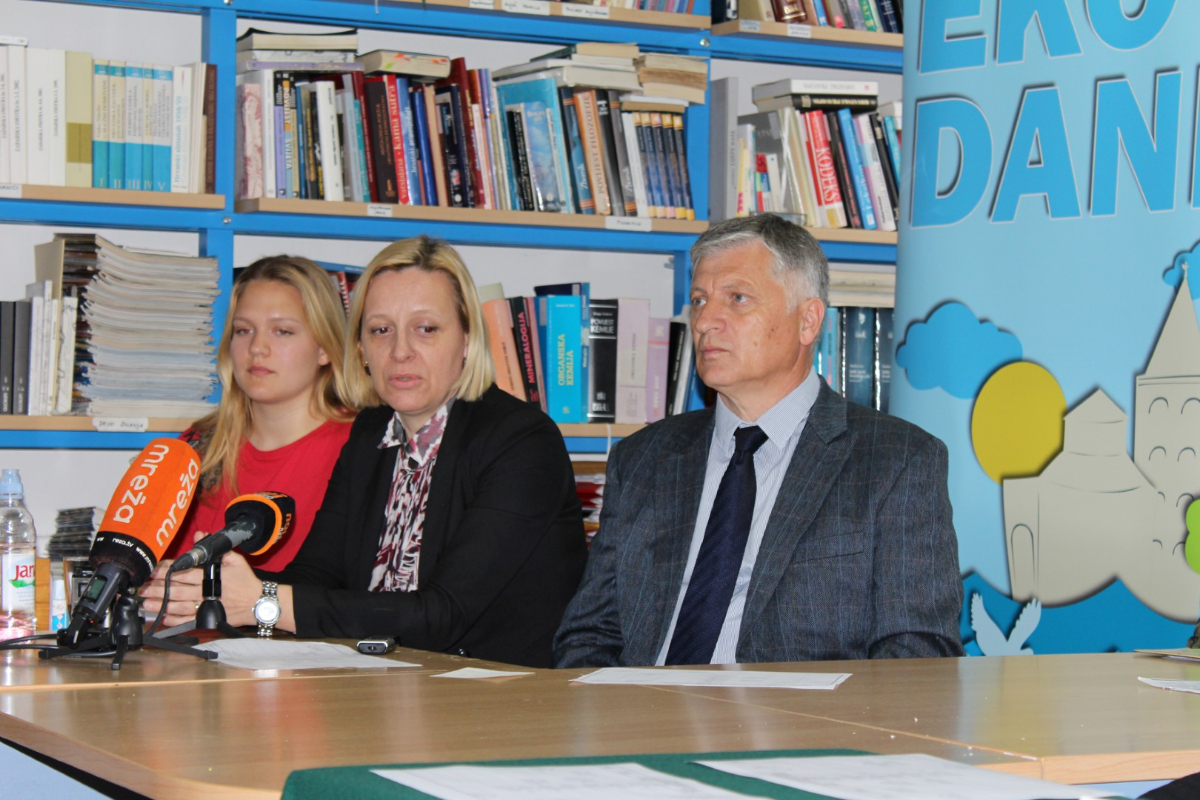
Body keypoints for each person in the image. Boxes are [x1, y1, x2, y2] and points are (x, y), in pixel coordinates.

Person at [144, 236, 587, 668]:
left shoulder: (522, 441)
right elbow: (316, 577)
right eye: (380, 330)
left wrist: (262, 601)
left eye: (426, 329)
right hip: (380, 686)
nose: (400, 351)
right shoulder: (372, 432)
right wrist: (215, 589)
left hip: (495, 699)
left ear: (468, 338)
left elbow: (442, 615)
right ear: (359, 347)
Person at [553, 214, 964, 668]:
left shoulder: (896, 461)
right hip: (643, 706)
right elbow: (589, 634)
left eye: (737, 298)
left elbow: (916, 656)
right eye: (699, 300)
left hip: (802, 712)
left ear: (808, 321)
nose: (706, 321)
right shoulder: (643, 458)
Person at [163, 255, 358, 571]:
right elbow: (164, 573)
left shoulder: (362, 447)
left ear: (324, 347)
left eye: (282, 331)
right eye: (243, 330)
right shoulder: (199, 445)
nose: (257, 348)